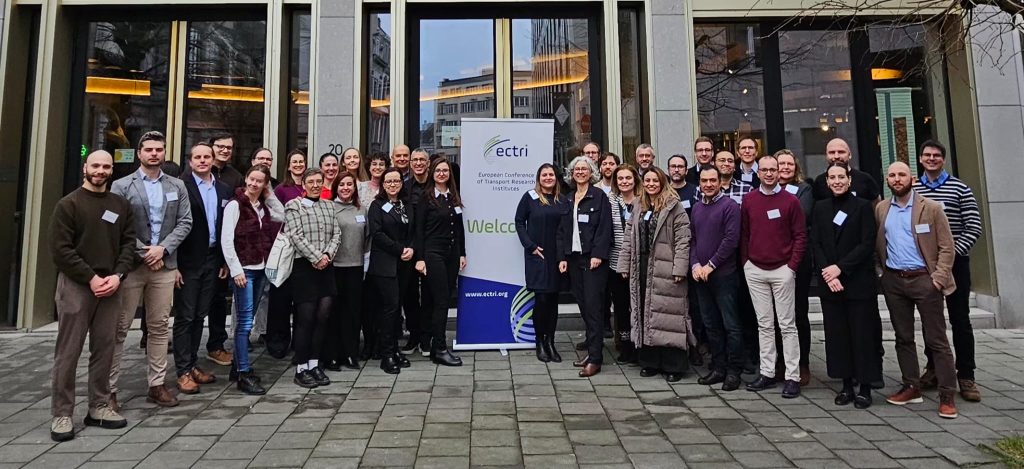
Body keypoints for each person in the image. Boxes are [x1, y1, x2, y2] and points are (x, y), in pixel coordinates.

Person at [48, 150, 137, 442]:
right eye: (95, 165)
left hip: (111, 285)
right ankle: (62, 413)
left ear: (112, 170)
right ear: (85, 167)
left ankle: (99, 406)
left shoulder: (120, 204)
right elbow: (61, 250)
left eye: (106, 166)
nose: (100, 170)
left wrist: (117, 275)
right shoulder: (68, 204)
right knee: (68, 351)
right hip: (77, 285)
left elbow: (128, 244)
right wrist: (91, 278)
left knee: (105, 348)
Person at [109, 130, 192, 409]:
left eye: (159, 149)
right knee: (120, 327)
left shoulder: (176, 185)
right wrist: (145, 252)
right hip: (132, 266)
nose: (154, 154)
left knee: (158, 327)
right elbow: (116, 224)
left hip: (164, 265)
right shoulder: (122, 186)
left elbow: (185, 222)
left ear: (164, 152)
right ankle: (108, 389)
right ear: (139, 153)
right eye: (149, 150)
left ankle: (156, 384)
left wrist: (163, 249)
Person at [876, 162, 959, 419]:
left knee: (936, 339)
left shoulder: (931, 208)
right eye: (892, 175)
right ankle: (911, 386)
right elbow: (878, 243)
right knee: (903, 337)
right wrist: (881, 273)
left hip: (925, 280)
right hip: (894, 280)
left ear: (912, 178)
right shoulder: (881, 208)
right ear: (887, 180)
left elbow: (947, 247)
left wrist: (938, 279)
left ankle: (947, 395)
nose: (897, 179)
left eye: (901, 175)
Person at [913, 140, 983, 402]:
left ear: (943, 159)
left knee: (960, 319)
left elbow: (974, 226)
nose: (931, 159)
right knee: (930, 320)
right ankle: (933, 368)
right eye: (927, 155)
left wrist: (950, 255)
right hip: (926, 267)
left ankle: (966, 375)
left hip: (955, 266)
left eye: (936, 155)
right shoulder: (914, 190)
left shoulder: (960, 188)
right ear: (920, 159)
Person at [810, 163, 882, 409]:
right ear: (827, 181)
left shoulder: (862, 207)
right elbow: (816, 243)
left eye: (841, 177)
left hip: (857, 282)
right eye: (832, 177)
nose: (837, 181)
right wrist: (828, 274)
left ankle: (865, 387)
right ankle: (846, 385)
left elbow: (867, 243)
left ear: (849, 180)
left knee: (862, 335)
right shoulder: (820, 208)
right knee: (838, 336)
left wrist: (840, 268)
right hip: (831, 284)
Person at [616, 167, 692, 382]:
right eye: (647, 180)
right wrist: (624, 265)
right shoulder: (638, 205)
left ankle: (673, 365)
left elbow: (683, 239)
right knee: (645, 313)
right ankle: (650, 362)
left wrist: (680, 268)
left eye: (655, 180)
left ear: (662, 182)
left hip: (666, 267)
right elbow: (628, 237)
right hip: (641, 267)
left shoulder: (674, 206)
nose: (650, 184)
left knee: (668, 316)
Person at [740, 154, 807, 399]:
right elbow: (744, 234)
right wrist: (746, 263)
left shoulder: (791, 201)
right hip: (755, 269)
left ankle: (792, 376)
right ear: (758, 173)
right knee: (764, 324)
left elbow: (800, 236)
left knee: (787, 325)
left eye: (773, 170)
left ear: (779, 173)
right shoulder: (749, 200)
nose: (769, 174)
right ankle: (767, 372)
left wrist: (791, 267)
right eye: (765, 170)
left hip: (782, 270)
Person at [173, 143, 231, 395]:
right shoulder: (180, 186)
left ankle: (193, 364)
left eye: (207, 156)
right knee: (185, 316)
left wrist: (224, 261)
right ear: (190, 161)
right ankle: (182, 371)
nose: (203, 160)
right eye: (198, 157)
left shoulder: (223, 189)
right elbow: (172, 225)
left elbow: (225, 227)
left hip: (212, 258)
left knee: (199, 315)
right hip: (187, 261)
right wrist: (173, 265)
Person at [221, 165, 285, 395]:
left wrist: (270, 195)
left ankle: (237, 366)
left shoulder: (264, 206)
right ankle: (243, 372)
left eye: (259, 181)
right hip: (244, 270)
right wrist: (235, 270)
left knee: (250, 316)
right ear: (245, 178)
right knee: (245, 322)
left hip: (261, 269)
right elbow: (227, 240)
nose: (254, 184)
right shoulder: (235, 205)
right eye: (251, 179)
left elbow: (283, 215)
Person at [284, 169, 342, 388]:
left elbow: (336, 234)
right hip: (304, 267)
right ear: (304, 185)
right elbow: (295, 235)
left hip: (326, 267)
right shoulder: (294, 206)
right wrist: (316, 257)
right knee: (306, 318)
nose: (316, 185)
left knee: (322, 316)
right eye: (311, 181)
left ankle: (315, 364)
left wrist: (326, 256)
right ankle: (301, 368)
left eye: (319, 181)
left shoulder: (329, 205)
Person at [557, 156, 612, 378]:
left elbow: (605, 228)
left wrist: (598, 254)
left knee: (593, 308)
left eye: (584, 169)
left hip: (592, 260)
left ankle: (596, 359)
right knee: (583, 306)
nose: (580, 172)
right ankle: (591, 351)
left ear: (591, 173)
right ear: (572, 174)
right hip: (573, 260)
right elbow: (562, 231)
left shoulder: (599, 196)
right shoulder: (568, 199)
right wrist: (562, 257)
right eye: (576, 169)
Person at [691, 167, 743, 391]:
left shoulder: (730, 206)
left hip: (724, 276)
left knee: (731, 325)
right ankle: (718, 367)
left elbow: (731, 240)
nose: (709, 184)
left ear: (720, 182)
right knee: (711, 325)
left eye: (713, 180)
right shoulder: (697, 207)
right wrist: (695, 265)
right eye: (704, 181)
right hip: (701, 277)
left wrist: (710, 265)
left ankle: (734, 371)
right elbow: (693, 239)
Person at [414, 157, 467, 367]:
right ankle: (439, 348)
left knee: (438, 299)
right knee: (441, 300)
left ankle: (433, 344)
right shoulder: (426, 198)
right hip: (432, 254)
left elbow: (460, 229)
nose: (442, 174)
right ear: (432, 173)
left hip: (452, 254)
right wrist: (420, 258)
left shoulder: (453, 196)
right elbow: (418, 231)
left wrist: (462, 253)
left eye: (445, 170)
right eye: (438, 170)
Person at [515, 164, 567, 363]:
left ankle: (550, 342)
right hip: (537, 256)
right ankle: (539, 342)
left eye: (551, 174)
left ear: (556, 177)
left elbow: (566, 229)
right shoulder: (529, 197)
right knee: (542, 300)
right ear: (539, 178)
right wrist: (530, 246)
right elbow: (519, 221)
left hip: (557, 257)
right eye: (544, 175)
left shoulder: (563, 200)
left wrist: (563, 257)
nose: (548, 177)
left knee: (553, 301)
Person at [367, 167, 415, 374]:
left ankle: (395, 350)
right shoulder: (376, 206)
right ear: (383, 184)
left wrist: (411, 248)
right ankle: (385, 354)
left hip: (405, 264)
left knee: (396, 308)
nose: (393, 184)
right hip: (385, 264)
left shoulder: (406, 204)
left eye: (396, 181)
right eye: (389, 181)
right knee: (389, 307)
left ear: (402, 183)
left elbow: (414, 231)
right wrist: (400, 249)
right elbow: (377, 234)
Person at [204, 133, 243, 369]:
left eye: (229, 147)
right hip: (197, 250)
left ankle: (216, 345)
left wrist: (228, 259)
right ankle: (187, 354)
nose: (225, 150)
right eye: (220, 146)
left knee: (218, 300)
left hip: (222, 250)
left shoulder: (234, 177)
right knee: (194, 305)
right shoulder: (193, 175)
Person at [776, 149, 813, 385]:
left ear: (795, 167)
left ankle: (803, 363)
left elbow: (803, 214)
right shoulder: (767, 190)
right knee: (777, 315)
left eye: (789, 164)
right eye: (781, 164)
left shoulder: (804, 189)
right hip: (773, 258)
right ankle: (781, 361)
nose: (785, 168)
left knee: (798, 313)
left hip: (798, 259)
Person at [266, 149, 306, 359]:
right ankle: (278, 341)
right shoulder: (281, 190)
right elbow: (274, 219)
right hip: (286, 250)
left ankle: (300, 341)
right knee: (280, 299)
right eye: (294, 162)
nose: (298, 165)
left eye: (301, 161)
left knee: (301, 300)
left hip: (304, 253)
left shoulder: (309, 187)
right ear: (288, 166)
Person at [329, 172, 370, 370]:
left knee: (353, 313)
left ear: (355, 188)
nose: (346, 188)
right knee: (334, 312)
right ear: (336, 187)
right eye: (342, 185)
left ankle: (351, 353)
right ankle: (334, 355)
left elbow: (368, 239)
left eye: (349, 184)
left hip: (356, 267)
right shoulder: (329, 208)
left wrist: (366, 265)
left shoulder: (362, 209)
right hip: (334, 268)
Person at [401, 148, 432, 355]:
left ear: (428, 163)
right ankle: (413, 335)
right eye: (415, 160)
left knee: (429, 294)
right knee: (409, 294)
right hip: (410, 247)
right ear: (410, 164)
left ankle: (427, 337)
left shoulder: (436, 185)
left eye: (422, 160)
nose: (418, 163)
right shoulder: (404, 187)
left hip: (431, 247)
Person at [608, 164, 640, 364]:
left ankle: (639, 346)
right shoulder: (610, 201)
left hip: (639, 263)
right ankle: (625, 346)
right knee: (621, 307)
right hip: (616, 263)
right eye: (620, 178)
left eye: (628, 178)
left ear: (635, 180)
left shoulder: (643, 200)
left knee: (638, 306)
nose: (624, 182)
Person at [811, 138, 881, 202]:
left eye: (841, 152)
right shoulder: (820, 181)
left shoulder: (865, 179)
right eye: (832, 152)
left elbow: (876, 204)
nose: (836, 156)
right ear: (826, 156)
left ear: (850, 155)